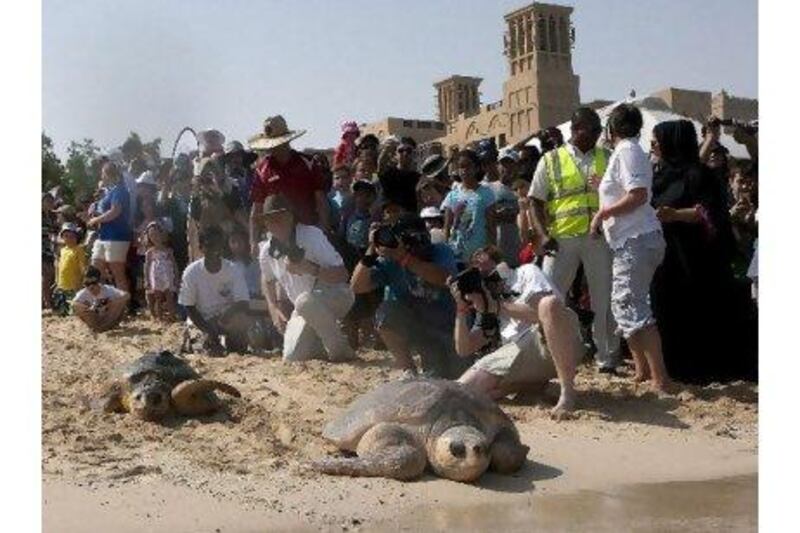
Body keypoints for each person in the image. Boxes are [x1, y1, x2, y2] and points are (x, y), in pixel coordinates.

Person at [649, 120, 757, 384]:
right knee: (669, 310)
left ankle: (705, 369)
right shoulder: (660, 175)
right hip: (666, 258)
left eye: (657, 140)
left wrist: (676, 215)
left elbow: (710, 212)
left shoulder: (701, 176)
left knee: (700, 312)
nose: (653, 145)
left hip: (697, 259)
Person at [527, 107, 620, 373]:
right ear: (577, 130)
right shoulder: (550, 160)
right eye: (593, 130)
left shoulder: (608, 157)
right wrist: (543, 235)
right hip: (561, 239)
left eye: (598, 130)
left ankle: (607, 357)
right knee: (550, 298)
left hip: (598, 237)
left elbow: (622, 194)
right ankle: (544, 354)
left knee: (604, 299)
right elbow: (535, 201)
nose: (597, 135)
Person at [589, 104, 671, 392]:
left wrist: (603, 213)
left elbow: (638, 195)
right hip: (632, 240)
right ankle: (643, 371)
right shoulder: (626, 153)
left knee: (632, 305)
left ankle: (660, 378)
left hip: (636, 238)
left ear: (612, 128)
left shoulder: (627, 152)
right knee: (625, 304)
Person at [454, 247, 584, 419]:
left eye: (481, 255)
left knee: (548, 303)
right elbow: (465, 348)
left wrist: (497, 306)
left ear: (498, 260)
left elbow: (544, 313)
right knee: (461, 392)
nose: (477, 260)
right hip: (518, 352)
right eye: (474, 261)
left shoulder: (525, 272)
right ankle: (526, 385)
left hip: (553, 339)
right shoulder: (485, 298)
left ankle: (567, 392)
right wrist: (461, 310)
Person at [350, 213, 467, 378]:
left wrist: (405, 258)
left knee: (453, 375)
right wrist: (370, 252)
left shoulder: (440, 251)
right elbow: (357, 287)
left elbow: (444, 278)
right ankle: (408, 370)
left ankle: (434, 362)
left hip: (446, 325)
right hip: (415, 323)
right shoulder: (390, 260)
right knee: (386, 313)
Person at [259, 194, 355, 363]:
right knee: (291, 356)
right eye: (270, 219)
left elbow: (342, 275)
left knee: (305, 302)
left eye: (280, 217)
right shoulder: (267, 251)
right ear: (265, 223)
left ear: (290, 217)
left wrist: (310, 268)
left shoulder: (312, 235)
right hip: (303, 307)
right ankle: (322, 341)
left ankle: (340, 350)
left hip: (336, 295)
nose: (275, 223)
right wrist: (273, 308)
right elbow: (266, 279)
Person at [249, 116, 332, 255]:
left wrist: (324, 230)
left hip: (307, 231)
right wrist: (253, 241)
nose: (274, 147)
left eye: (277, 143)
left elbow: (321, 201)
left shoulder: (308, 163)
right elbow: (256, 209)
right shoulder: (261, 170)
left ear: (287, 141)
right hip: (277, 237)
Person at [178, 225, 252, 356]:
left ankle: (231, 344)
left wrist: (227, 315)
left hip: (226, 318)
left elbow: (243, 302)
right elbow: (189, 307)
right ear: (201, 248)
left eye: (218, 244)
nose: (215, 249)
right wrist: (207, 329)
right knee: (208, 351)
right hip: (201, 320)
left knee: (242, 324)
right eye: (210, 245)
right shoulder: (191, 272)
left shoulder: (233, 269)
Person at [441, 149, 497, 264]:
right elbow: (447, 226)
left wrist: (492, 254)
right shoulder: (452, 195)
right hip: (455, 254)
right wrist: (446, 250)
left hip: (479, 254)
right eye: (461, 167)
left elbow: (491, 226)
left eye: (468, 166)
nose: (464, 170)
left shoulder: (487, 194)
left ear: (476, 168)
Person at [87, 162, 132, 293]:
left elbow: (115, 211)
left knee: (118, 273)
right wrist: (93, 216)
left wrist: (96, 219)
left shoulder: (120, 190)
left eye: (102, 173)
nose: (101, 176)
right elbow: (107, 212)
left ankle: (122, 306)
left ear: (107, 174)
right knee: (95, 268)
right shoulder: (110, 191)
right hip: (104, 235)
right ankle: (102, 299)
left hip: (117, 236)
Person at [72, 266, 130, 333]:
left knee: (121, 301)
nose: (91, 286)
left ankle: (108, 325)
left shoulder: (107, 289)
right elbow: (74, 303)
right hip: (94, 319)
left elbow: (126, 295)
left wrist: (111, 303)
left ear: (99, 281)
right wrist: (87, 308)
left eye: (93, 283)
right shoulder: (83, 293)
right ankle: (97, 327)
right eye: (87, 284)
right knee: (77, 306)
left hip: (109, 317)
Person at [143, 221, 179, 322]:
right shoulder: (150, 252)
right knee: (158, 298)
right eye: (152, 235)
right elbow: (147, 266)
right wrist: (147, 280)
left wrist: (176, 276)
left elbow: (174, 264)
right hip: (156, 277)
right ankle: (159, 317)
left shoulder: (168, 250)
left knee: (170, 297)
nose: (155, 237)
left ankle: (172, 316)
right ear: (149, 237)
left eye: (157, 234)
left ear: (162, 235)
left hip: (167, 276)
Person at [378, 137, 421, 214]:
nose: (405, 154)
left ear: (414, 153)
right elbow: (380, 165)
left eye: (409, 151)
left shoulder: (418, 178)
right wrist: (386, 150)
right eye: (401, 151)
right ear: (395, 154)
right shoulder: (389, 173)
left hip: (411, 219)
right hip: (392, 218)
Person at [53, 223, 88, 316]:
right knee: (63, 302)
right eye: (66, 236)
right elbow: (58, 266)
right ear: (62, 238)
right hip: (62, 282)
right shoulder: (62, 250)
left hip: (74, 283)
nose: (69, 239)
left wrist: (84, 278)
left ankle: (75, 314)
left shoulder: (78, 250)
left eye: (72, 236)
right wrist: (56, 279)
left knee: (74, 301)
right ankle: (64, 314)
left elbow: (82, 266)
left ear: (77, 237)